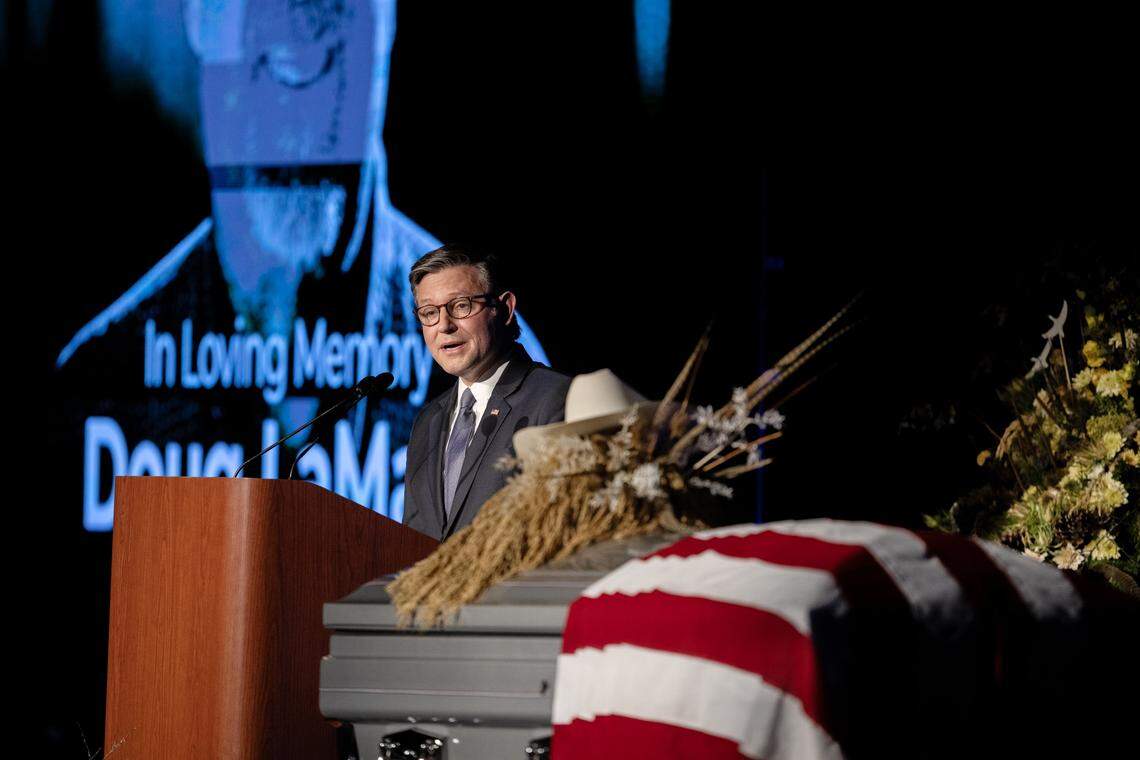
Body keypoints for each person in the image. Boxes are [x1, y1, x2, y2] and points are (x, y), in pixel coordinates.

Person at [403, 246, 570, 540]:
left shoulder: (555, 400)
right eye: (429, 312)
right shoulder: (427, 420)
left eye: (461, 306)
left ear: (504, 309)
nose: (444, 325)